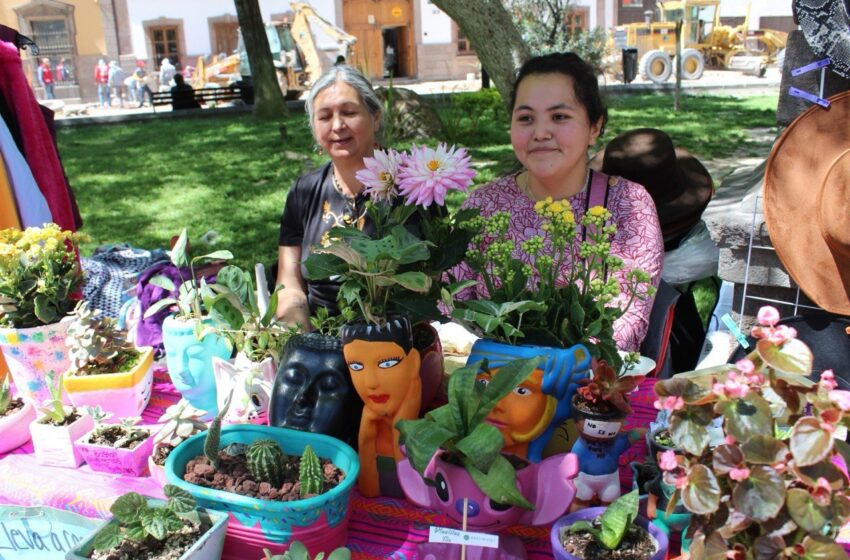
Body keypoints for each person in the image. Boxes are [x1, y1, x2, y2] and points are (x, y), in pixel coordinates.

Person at [451, 52, 664, 352]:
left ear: (594, 127)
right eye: (526, 118)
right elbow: (449, 309)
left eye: (559, 117)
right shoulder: (484, 205)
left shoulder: (628, 206)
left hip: (580, 389)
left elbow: (625, 330)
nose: (540, 133)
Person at [276, 65, 383, 328]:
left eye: (349, 112)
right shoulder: (304, 192)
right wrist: (301, 338)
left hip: (395, 342)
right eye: (324, 116)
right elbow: (289, 284)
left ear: (376, 117)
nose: (337, 125)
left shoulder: (413, 189)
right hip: (321, 334)